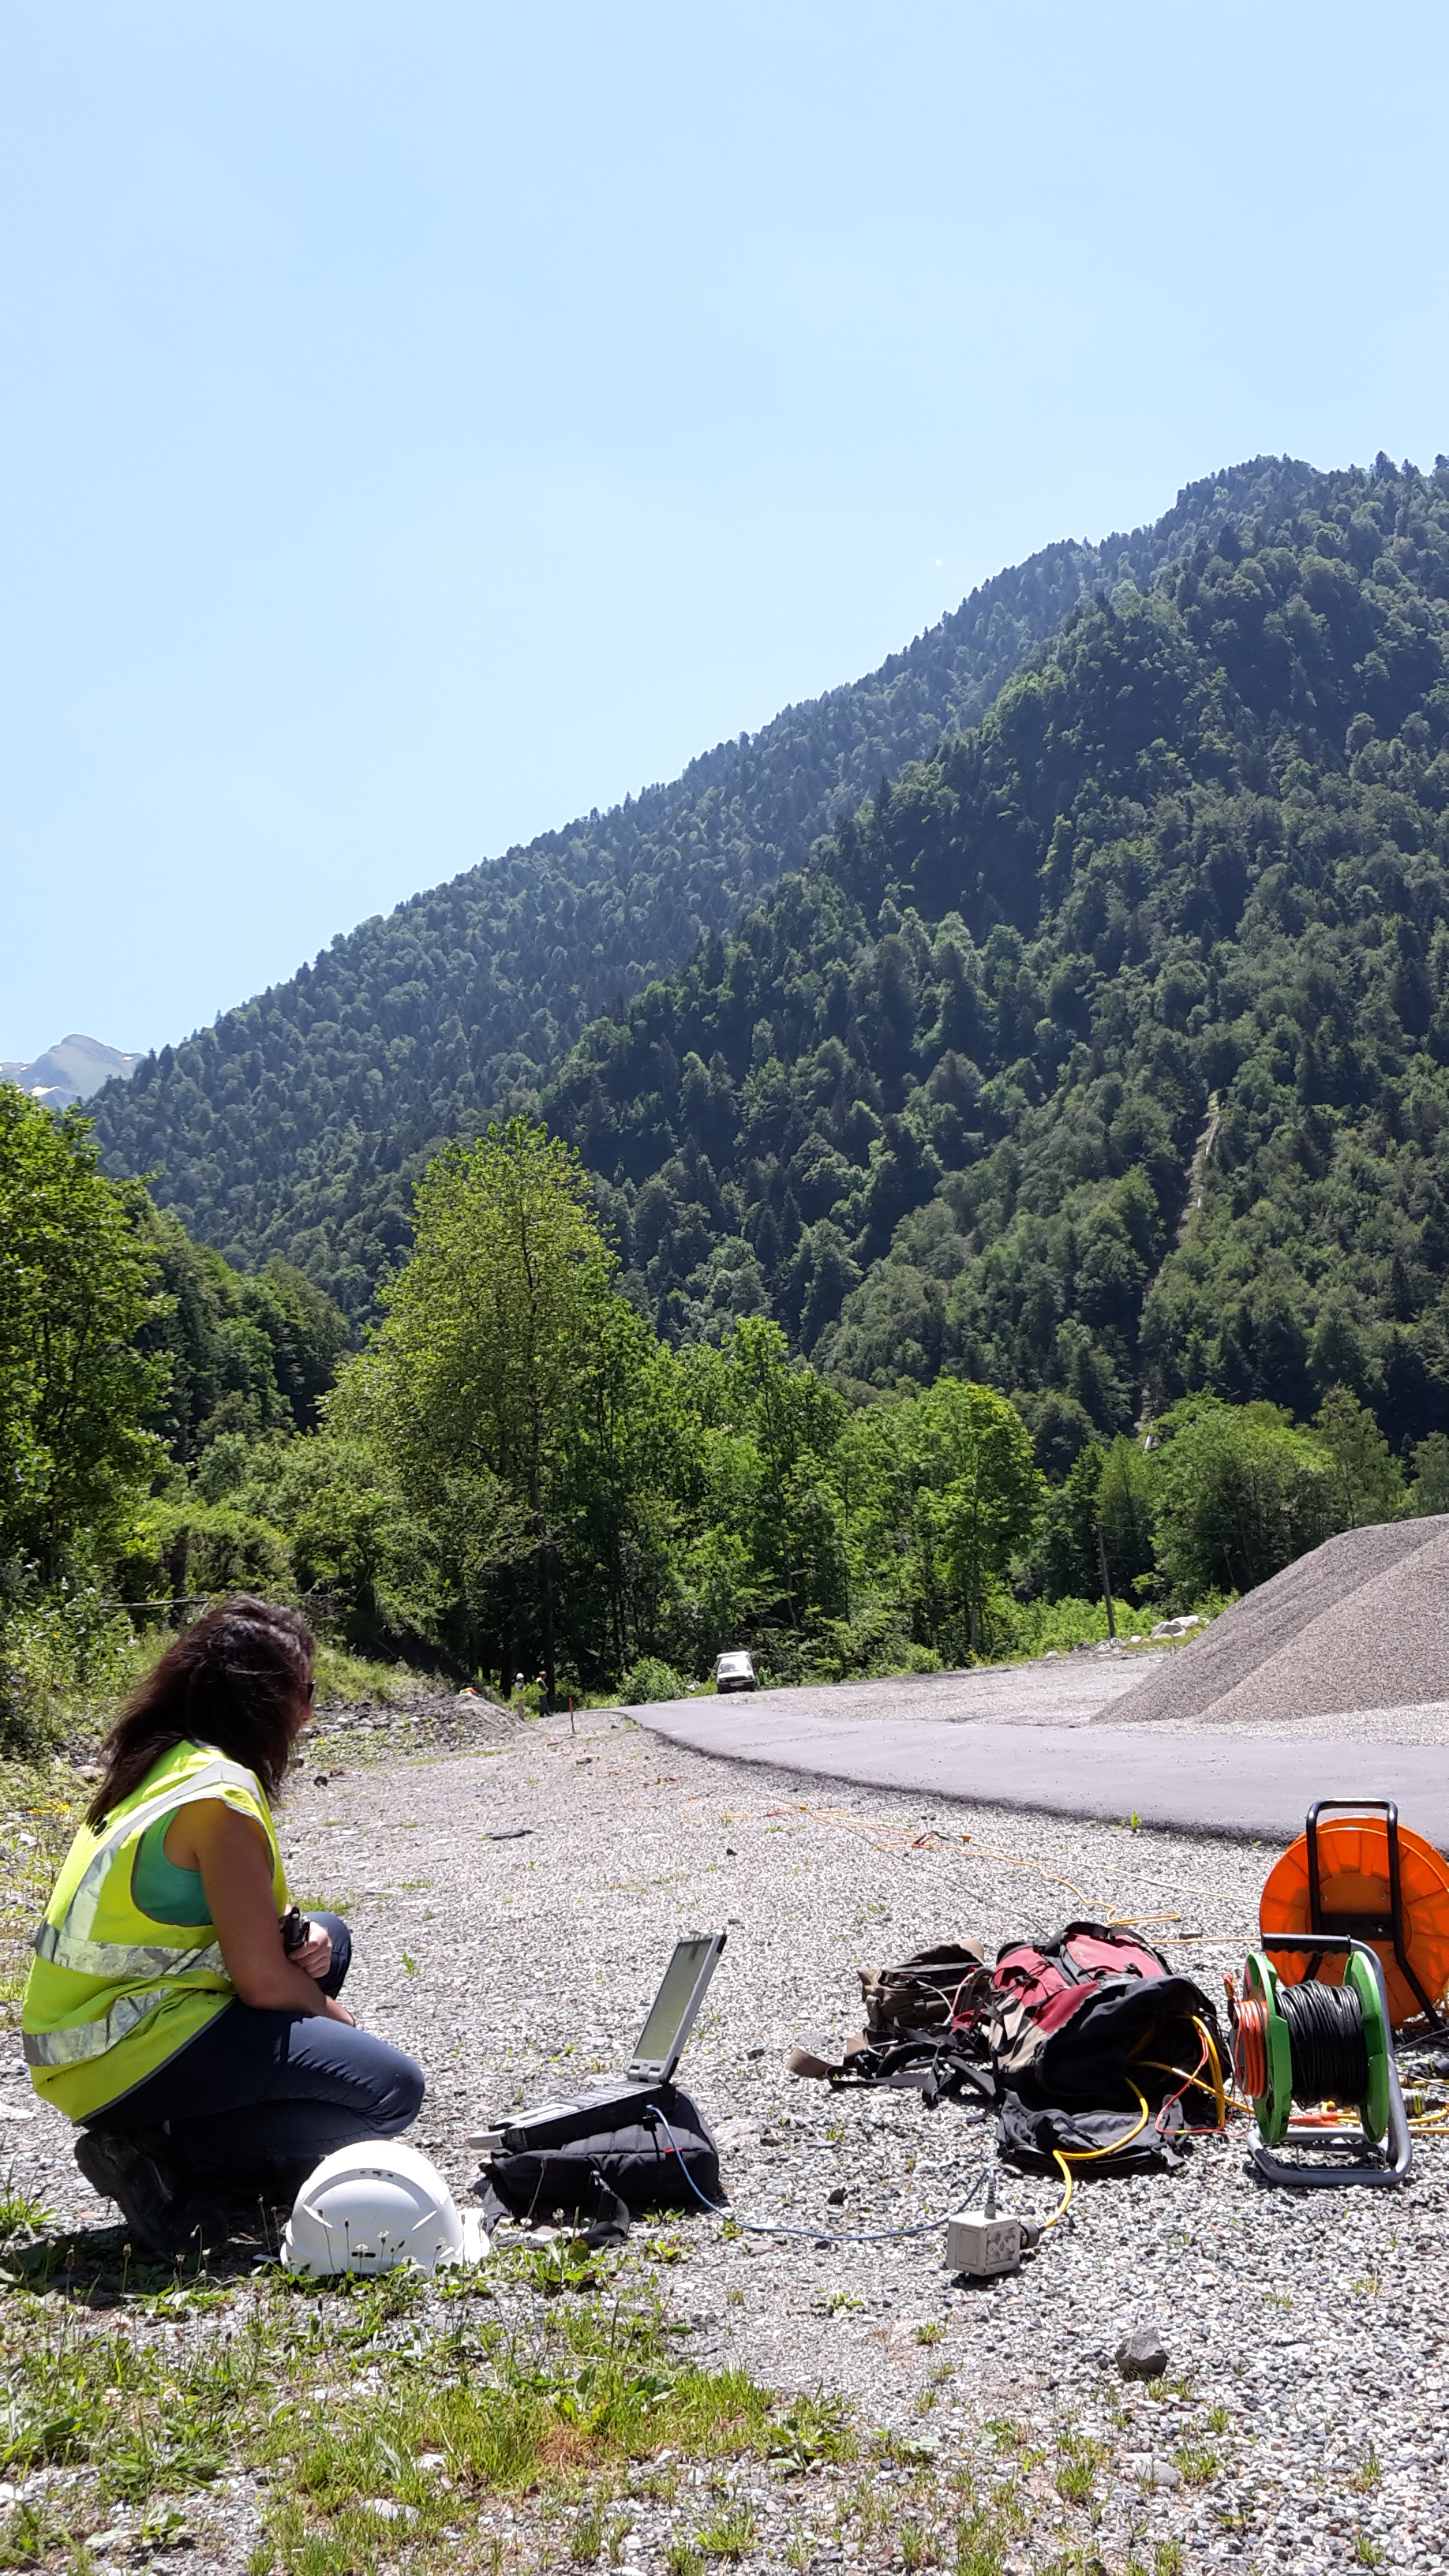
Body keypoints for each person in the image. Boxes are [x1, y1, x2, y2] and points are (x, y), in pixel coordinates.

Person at [23, 1596, 424, 2255]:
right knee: (389, 2092)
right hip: (117, 2053)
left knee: (331, 1935)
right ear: (263, 1699)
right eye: (308, 1691)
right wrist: (335, 2016)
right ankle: (171, 2155)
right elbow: (265, 1985)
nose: (311, 1711)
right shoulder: (221, 1799)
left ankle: (208, 2137)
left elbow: (220, 1909)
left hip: (92, 2029)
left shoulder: (166, 1760)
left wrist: (300, 1931)